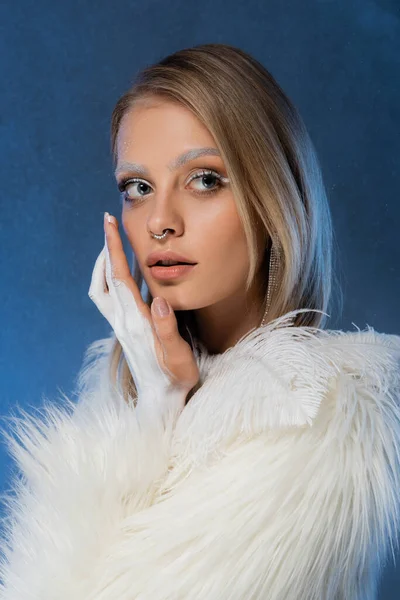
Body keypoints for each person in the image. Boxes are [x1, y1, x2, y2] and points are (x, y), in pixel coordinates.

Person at [0, 43, 399, 600]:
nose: (160, 222)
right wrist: (157, 409)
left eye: (204, 179)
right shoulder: (121, 395)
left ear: (272, 199)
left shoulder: (317, 408)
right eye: (138, 189)